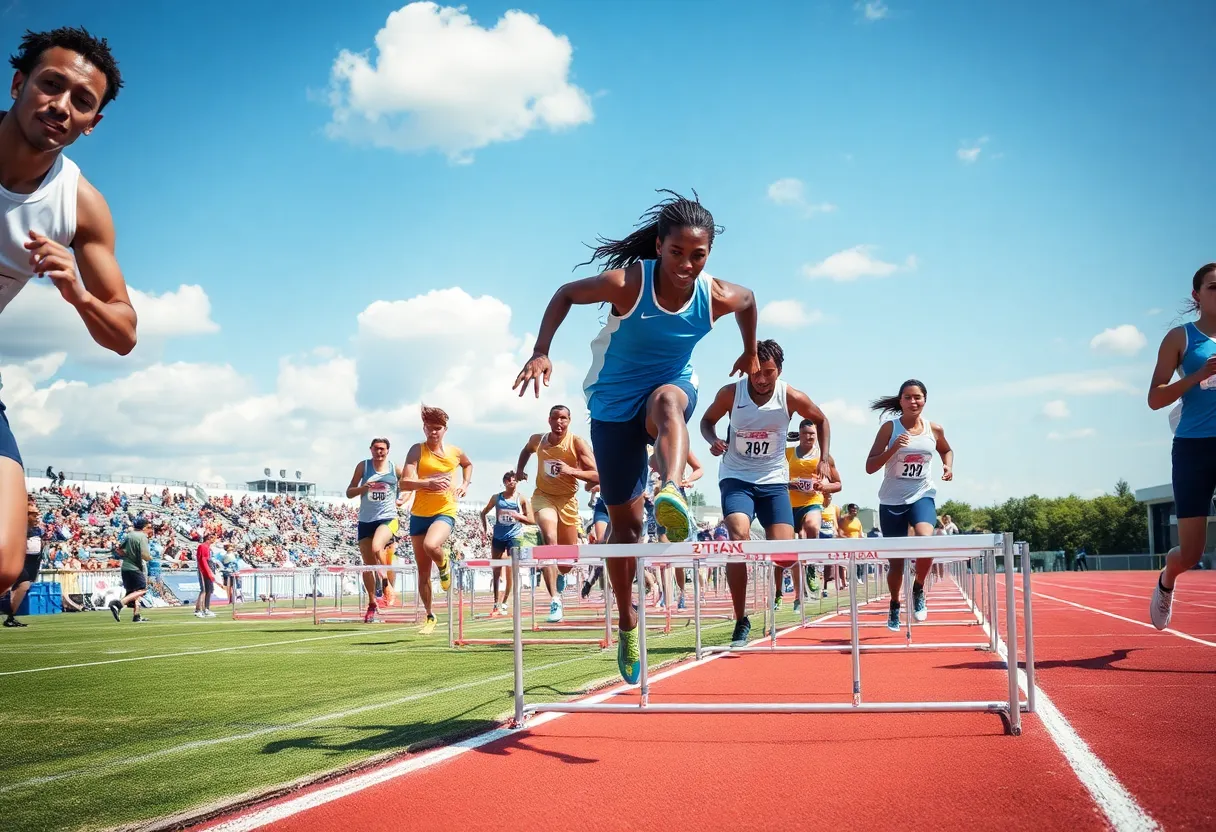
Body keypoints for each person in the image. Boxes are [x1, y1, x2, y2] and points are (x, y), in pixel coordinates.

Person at [513, 190, 758, 683]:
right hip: (611, 406)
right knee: (625, 531)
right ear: (658, 246)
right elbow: (564, 292)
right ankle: (627, 622)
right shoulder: (628, 283)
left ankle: (669, 489)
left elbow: (749, 301)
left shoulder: (716, 295)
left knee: (670, 400)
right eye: (676, 253)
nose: (686, 265)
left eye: (698, 256)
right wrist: (541, 350)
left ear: (708, 255)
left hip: (666, 391)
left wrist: (750, 353)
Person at [0, 28, 137, 598]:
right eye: (51, 85)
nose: (61, 105)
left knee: (6, 563)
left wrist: (78, 293)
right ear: (18, 83)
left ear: (93, 123)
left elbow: (124, 332)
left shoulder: (79, 204)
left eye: (82, 100)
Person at [700, 339, 833, 646]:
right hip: (736, 476)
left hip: (773, 480)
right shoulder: (731, 394)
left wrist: (824, 459)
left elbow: (823, 420)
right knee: (737, 539)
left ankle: (785, 561)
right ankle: (741, 619)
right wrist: (714, 438)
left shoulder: (791, 396)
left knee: (785, 557)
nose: (760, 380)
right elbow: (707, 421)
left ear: (779, 371)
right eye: (755, 372)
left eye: (768, 373)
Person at [1148, 264, 1216, 628]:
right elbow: (1155, 398)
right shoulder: (1181, 338)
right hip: (1194, 447)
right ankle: (1167, 579)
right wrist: (1199, 375)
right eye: (1213, 287)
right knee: (1190, 553)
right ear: (1197, 295)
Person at [865, 379, 954, 632]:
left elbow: (946, 450)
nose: (913, 402)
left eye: (918, 397)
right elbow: (870, 467)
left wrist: (947, 465)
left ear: (924, 400)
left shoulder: (934, 429)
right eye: (908, 397)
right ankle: (894, 603)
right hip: (892, 499)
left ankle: (918, 587)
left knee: (926, 540)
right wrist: (893, 448)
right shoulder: (889, 428)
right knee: (896, 562)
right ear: (900, 401)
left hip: (921, 493)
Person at [514, 405, 599, 622]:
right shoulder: (538, 440)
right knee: (549, 539)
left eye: (563, 418)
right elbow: (526, 450)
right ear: (549, 420)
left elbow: (597, 475)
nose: (559, 422)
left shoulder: (576, 443)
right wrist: (520, 469)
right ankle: (555, 600)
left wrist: (571, 471)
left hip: (568, 502)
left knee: (566, 563)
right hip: (543, 497)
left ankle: (561, 574)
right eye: (555, 418)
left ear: (569, 421)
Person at [400, 406, 471, 635]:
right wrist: (426, 484)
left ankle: (444, 563)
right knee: (422, 572)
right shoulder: (417, 451)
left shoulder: (455, 452)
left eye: (438, 429)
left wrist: (464, 485)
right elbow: (404, 483)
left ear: (445, 430)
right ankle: (430, 615)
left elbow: (467, 465)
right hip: (419, 514)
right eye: (430, 429)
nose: (433, 433)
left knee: (431, 545)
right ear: (424, 428)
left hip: (444, 510)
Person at [345, 437, 405, 623]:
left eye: (383, 449)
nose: (379, 452)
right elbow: (349, 492)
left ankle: (386, 586)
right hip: (365, 520)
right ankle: (372, 603)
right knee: (368, 565)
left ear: (388, 451)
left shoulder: (395, 469)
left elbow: (409, 484)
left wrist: (403, 498)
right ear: (371, 449)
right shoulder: (363, 467)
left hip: (387, 518)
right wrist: (363, 488)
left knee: (377, 547)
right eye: (376, 449)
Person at [786, 419, 841, 597]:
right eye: (805, 433)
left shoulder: (824, 458)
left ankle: (810, 567)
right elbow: (775, 476)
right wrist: (790, 484)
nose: (809, 437)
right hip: (789, 504)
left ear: (817, 436)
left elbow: (838, 484)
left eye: (812, 434)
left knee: (811, 526)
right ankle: (786, 590)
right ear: (800, 434)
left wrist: (824, 487)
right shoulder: (787, 453)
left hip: (812, 501)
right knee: (787, 543)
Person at [479, 471, 532, 617]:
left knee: (510, 570)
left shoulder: (521, 498)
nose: (511, 482)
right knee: (496, 570)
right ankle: (496, 602)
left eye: (514, 480)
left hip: (515, 536)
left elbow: (531, 519)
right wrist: (486, 528)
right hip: (498, 536)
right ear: (504, 483)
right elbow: (483, 513)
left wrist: (518, 516)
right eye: (508, 480)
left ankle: (505, 602)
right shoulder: (497, 498)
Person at [1, 500, 42, 627]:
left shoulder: (35, 530)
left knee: (23, 586)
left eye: (37, 515)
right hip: (11, 560)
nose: (37, 517)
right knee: (22, 585)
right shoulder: (17, 527)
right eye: (33, 515)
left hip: (26, 562)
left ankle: (10, 617)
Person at [109, 517, 151, 623]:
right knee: (142, 590)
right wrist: (150, 558)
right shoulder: (142, 536)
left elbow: (119, 550)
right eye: (148, 527)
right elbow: (145, 554)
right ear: (144, 527)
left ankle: (137, 616)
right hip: (136, 567)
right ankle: (119, 604)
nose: (149, 529)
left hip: (125, 567)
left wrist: (129, 555)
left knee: (135, 592)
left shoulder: (129, 535)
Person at [193, 534, 216, 618]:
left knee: (209, 590)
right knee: (203, 590)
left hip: (208, 570)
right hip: (203, 571)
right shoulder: (203, 546)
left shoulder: (208, 548)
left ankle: (206, 609)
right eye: (214, 538)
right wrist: (208, 572)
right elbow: (203, 560)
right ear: (209, 538)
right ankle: (198, 610)